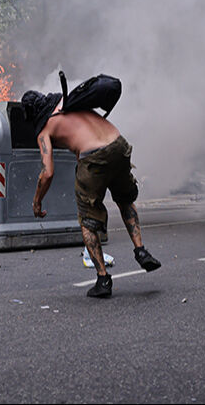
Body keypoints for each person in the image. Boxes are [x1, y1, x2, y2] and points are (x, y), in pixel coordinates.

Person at [22, 90, 161, 298]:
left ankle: (103, 279)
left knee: (87, 220)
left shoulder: (44, 130)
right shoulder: (66, 103)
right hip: (118, 144)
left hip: (93, 158)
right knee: (125, 200)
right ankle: (141, 250)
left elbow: (47, 173)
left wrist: (36, 202)